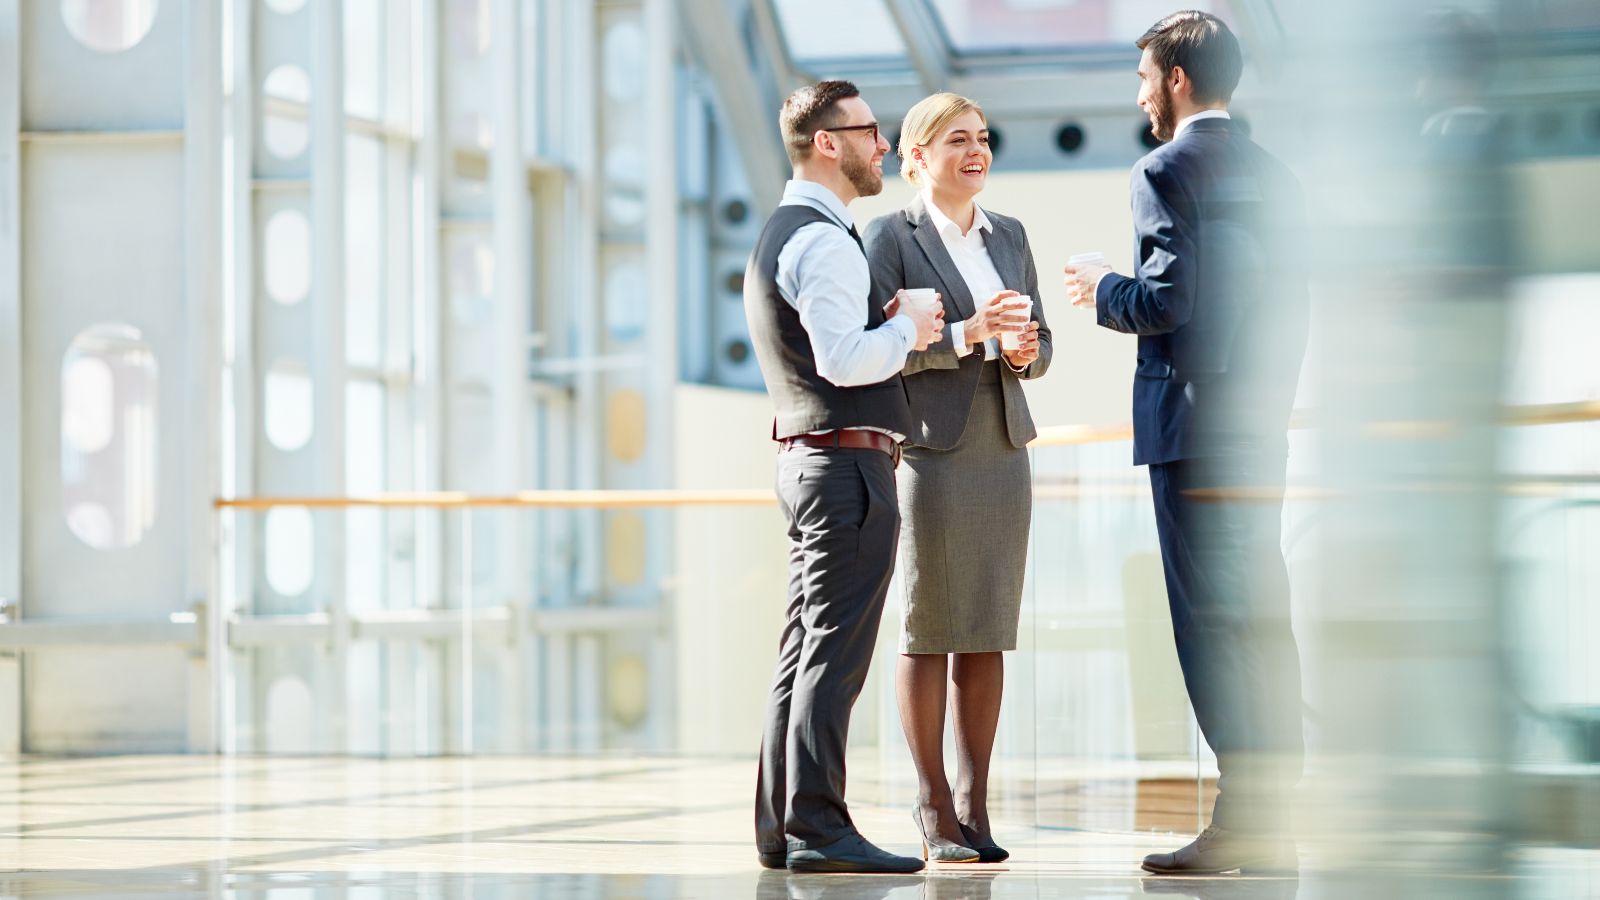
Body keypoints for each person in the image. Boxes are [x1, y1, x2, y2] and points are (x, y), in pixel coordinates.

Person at [1064, 11, 1308, 876]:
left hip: (1192, 435)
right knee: (1262, 617)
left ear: (1175, 79)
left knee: (1210, 625)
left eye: (1143, 78)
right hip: (1256, 430)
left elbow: (1168, 303)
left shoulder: (1164, 170)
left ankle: (1244, 816)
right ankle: (1272, 812)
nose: (1138, 96)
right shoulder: (1279, 176)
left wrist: (1101, 288)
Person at [746, 79, 945, 875]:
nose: (883, 146)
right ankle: (819, 828)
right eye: (869, 132)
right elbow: (842, 358)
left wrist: (890, 323)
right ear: (828, 142)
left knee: (804, 649)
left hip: (812, 461)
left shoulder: (786, 231)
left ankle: (782, 824)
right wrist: (904, 326)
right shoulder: (825, 240)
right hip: (845, 468)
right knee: (833, 652)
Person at [861, 92, 1050, 865]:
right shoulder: (889, 237)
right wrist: (969, 338)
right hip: (933, 454)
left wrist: (1018, 350)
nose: (975, 152)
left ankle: (975, 803)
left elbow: (1041, 352)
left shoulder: (1010, 235)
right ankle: (932, 802)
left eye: (981, 139)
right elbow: (878, 349)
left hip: (1004, 449)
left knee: (986, 629)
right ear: (915, 159)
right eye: (954, 141)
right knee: (929, 628)